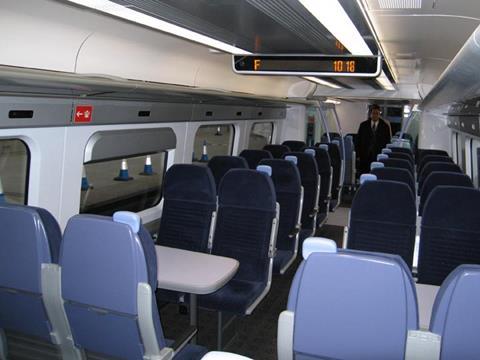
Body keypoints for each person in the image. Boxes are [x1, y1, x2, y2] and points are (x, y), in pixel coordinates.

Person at [357, 104, 391, 175]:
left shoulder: (385, 126)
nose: (375, 115)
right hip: (364, 155)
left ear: (379, 114)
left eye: (377, 113)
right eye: (373, 113)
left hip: (378, 156)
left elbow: (387, 142)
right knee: (364, 174)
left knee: (377, 174)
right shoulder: (363, 125)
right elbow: (358, 141)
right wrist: (358, 155)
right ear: (370, 114)